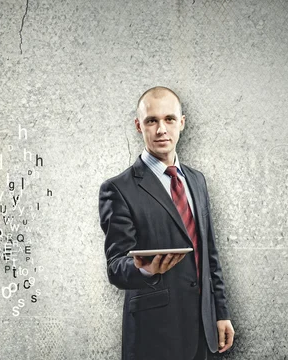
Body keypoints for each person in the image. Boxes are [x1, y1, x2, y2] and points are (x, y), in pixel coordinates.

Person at [98, 86, 235, 360]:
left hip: (202, 327)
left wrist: (220, 312)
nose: (162, 129)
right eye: (152, 121)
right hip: (154, 333)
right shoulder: (118, 188)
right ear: (139, 126)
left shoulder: (197, 181)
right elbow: (115, 266)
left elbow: (210, 255)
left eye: (169, 119)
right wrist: (145, 270)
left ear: (182, 123)